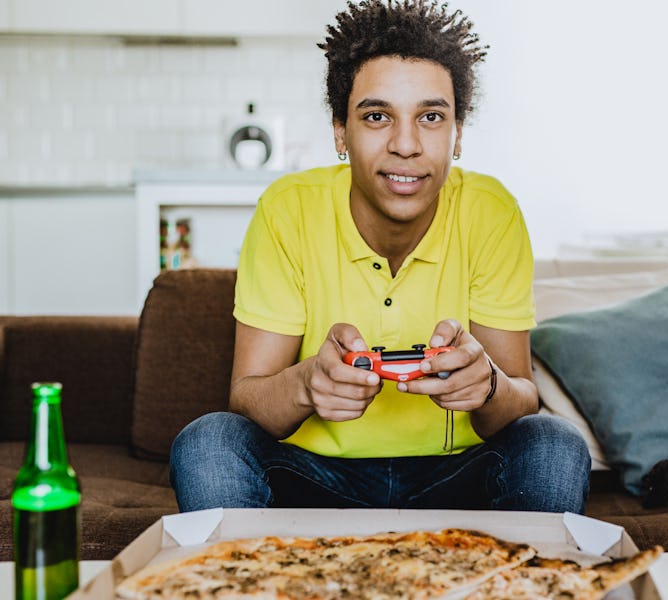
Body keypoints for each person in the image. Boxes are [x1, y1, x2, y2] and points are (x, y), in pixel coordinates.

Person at [170, 0, 590, 513]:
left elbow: (519, 400)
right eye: (376, 116)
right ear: (340, 132)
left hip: (455, 477)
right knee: (208, 440)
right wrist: (307, 384)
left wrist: (488, 385)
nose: (406, 144)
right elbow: (247, 401)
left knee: (554, 442)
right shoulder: (287, 210)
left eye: (431, 117)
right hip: (316, 478)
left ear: (457, 134)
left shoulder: (492, 212)